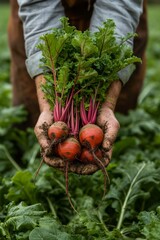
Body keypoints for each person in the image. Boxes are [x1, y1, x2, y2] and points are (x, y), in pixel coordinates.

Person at [8, 0, 148, 173]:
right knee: (28, 114)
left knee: (121, 111)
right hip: (37, 16)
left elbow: (120, 5)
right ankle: (32, 172)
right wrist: (46, 106)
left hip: (120, 13)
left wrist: (108, 104)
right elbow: (39, 6)